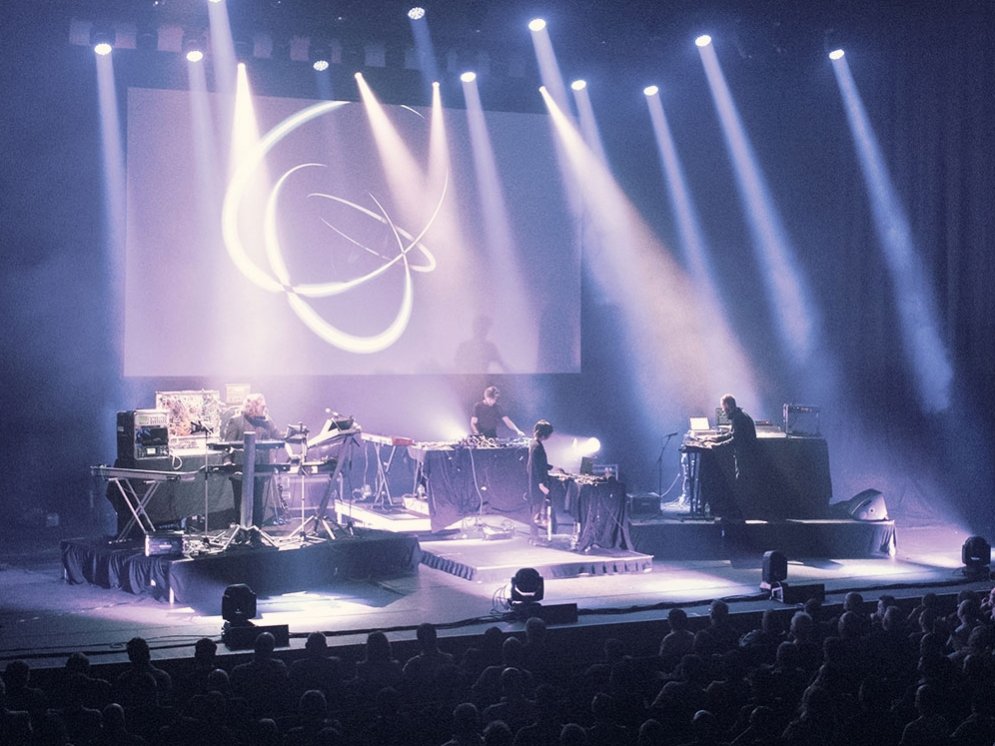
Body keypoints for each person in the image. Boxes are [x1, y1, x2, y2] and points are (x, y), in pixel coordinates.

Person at [222, 393, 286, 527]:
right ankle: (241, 534)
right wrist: (227, 462)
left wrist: (292, 433)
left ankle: (256, 534)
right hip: (241, 470)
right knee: (241, 504)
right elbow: (227, 445)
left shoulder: (267, 422)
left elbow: (279, 436)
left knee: (258, 503)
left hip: (260, 470)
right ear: (254, 407)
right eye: (263, 406)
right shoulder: (236, 421)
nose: (266, 408)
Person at [705, 394, 758, 518]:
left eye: (724, 409)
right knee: (743, 483)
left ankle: (744, 514)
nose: (724, 412)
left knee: (742, 484)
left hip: (745, 456)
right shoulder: (740, 416)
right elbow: (731, 434)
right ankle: (745, 512)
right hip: (746, 455)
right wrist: (715, 439)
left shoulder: (738, 419)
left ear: (728, 406)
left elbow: (735, 439)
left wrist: (715, 446)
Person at [527, 419, 555, 541]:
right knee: (536, 509)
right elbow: (536, 467)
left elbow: (539, 463)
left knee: (537, 508)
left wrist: (553, 467)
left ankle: (535, 535)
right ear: (545, 434)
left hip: (535, 481)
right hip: (537, 483)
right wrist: (541, 484)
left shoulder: (534, 444)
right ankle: (534, 536)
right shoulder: (537, 447)